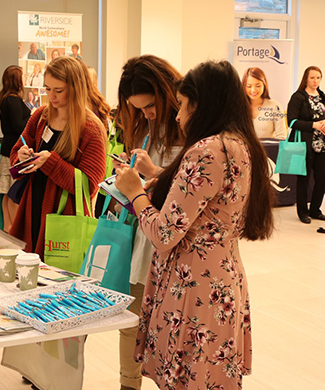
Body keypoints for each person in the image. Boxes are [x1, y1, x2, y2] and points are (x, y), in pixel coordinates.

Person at [115, 60, 274, 389]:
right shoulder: (239, 144)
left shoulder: (205, 150)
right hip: (222, 277)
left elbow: (163, 234)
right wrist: (159, 175)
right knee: (210, 375)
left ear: (199, 106)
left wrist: (134, 194)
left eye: (182, 106)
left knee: (188, 375)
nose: (176, 115)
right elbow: (207, 202)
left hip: (193, 285)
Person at [113, 54, 184, 390]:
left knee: (170, 325)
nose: (147, 114)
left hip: (173, 243)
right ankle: (129, 383)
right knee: (132, 319)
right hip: (143, 234)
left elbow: (185, 196)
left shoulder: (194, 132)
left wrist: (149, 178)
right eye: (139, 109)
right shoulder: (147, 128)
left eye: (150, 106)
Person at [9, 56, 106, 259]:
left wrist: (51, 163)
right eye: (47, 89)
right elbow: (17, 152)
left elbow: (88, 186)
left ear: (76, 88)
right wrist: (22, 156)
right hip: (32, 207)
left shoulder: (90, 128)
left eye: (58, 90)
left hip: (63, 218)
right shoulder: (40, 116)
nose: (51, 96)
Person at [0, 65, 31, 232]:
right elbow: (18, 126)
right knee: (14, 193)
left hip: (8, 148)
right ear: (18, 81)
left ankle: (8, 227)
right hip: (14, 151)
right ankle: (14, 229)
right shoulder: (14, 101)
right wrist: (32, 118)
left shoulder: (6, 100)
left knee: (8, 192)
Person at [287, 66, 325, 224]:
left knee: (322, 179)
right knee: (303, 179)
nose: (315, 81)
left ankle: (315, 209)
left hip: (322, 145)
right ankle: (302, 212)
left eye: (318, 78)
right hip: (304, 145)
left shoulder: (323, 96)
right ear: (306, 79)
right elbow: (292, 122)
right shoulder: (298, 97)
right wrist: (313, 125)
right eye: (312, 78)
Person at [242, 67, 286, 139]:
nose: (253, 90)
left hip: (268, 150)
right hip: (243, 149)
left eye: (258, 86)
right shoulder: (239, 107)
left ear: (264, 85)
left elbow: (281, 137)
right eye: (249, 86)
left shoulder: (274, 106)